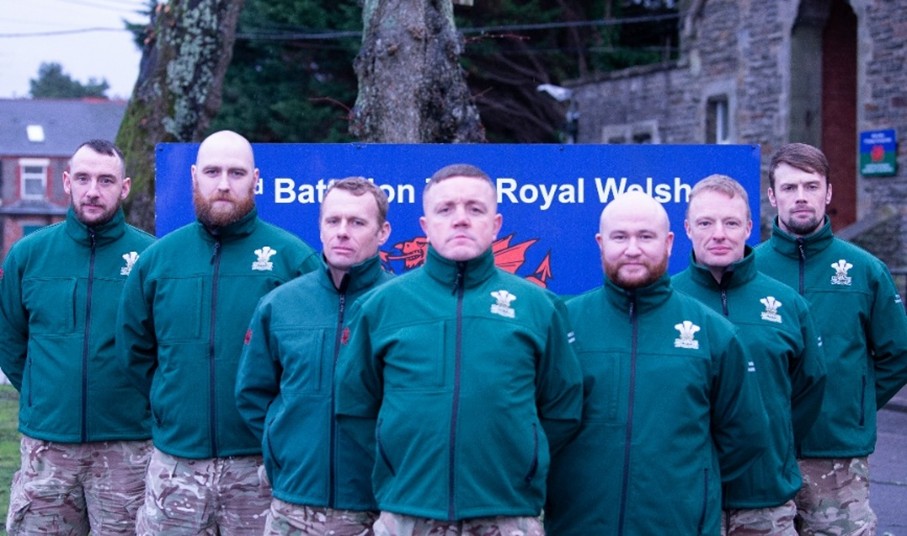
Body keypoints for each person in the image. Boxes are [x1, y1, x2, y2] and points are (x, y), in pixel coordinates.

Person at [334, 163, 583, 536]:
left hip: (507, 512)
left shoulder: (538, 306)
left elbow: (561, 408)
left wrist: (520, 459)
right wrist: (401, 459)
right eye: (446, 209)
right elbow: (355, 406)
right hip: (408, 511)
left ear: (496, 224)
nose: (461, 220)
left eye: (475, 209)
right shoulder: (381, 306)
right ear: (425, 224)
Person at [117, 130, 319, 535]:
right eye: (212, 171)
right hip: (176, 468)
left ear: (256, 179)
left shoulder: (292, 260)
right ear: (194, 177)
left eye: (236, 172)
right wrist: (170, 409)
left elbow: (315, 363)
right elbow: (134, 353)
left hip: (258, 470)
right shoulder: (157, 261)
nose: (223, 183)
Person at [545, 190, 769, 535]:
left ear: (668, 242)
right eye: (620, 237)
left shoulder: (714, 333)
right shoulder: (563, 324)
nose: (632, 249)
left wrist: (689, 488)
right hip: (577, 524)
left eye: (645, 236)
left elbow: (745, 437)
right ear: (600, 243)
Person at [0, 140, 155, 534]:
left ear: (124, 188)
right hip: (48, 447)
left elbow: (164, 347)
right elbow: (10, 339)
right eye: (83, 178)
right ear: (67, 181)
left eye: (106, 180)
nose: (92, 190)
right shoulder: (28, 255)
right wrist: (44, 391)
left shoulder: (151, 257)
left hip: (127, 449)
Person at [754, 142, 907, 535]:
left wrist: (855, 405)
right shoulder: (748, 270)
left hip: (838, 460)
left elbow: (899, 353)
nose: (800, 197)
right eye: (789, 188)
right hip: (764, 455)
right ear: (772, 196)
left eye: (811, 185)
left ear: (828, 192)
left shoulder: (864, 270)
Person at [235, 177, 394, 535]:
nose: (342, 232)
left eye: (357, 222)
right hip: (294, 505)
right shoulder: (280, 304)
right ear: (319, 226)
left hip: (378, 507)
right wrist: (283, 446)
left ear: (382, 232)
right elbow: (252, 393)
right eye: (333, 221)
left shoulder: (403, 305)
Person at [672, 174, 827, 535]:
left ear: (748, 228)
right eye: (706, 223)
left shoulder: (787, 304)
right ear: (687, 229)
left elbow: (807, 391)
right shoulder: (665, 301)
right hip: (684, 503)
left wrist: (773, 437)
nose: (719, 233)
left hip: (765, 500)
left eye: (730, 222)